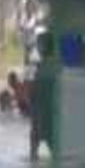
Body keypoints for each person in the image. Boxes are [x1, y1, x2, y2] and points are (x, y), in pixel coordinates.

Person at [29, 32, 57, 160]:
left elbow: (33, 90)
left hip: (43, 110)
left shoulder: (43, 67)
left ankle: (34, 161)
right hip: (46, 110)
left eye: (39, 44)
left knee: (37, 137)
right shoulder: (51, 65)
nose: (37, 48)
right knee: (50, 142)